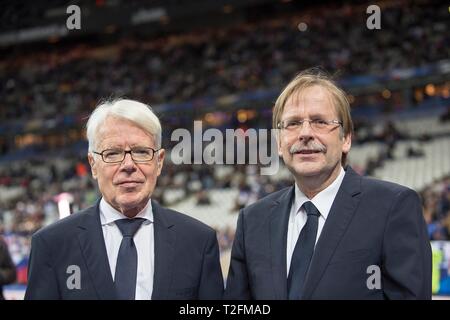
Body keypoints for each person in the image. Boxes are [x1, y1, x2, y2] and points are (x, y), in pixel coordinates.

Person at [224, 69, 432, 300]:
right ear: (279, 143)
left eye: (320, 121)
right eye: (292, 124)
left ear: (346, 139)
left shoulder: (393, 208)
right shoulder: (252, 221)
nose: (305, 133)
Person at [25, 98, 224, 300]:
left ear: (159, 162)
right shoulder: (52, 244)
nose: (128, 165)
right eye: (112, 153)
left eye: (141, 152)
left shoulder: (198, 242)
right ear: (93, 164)